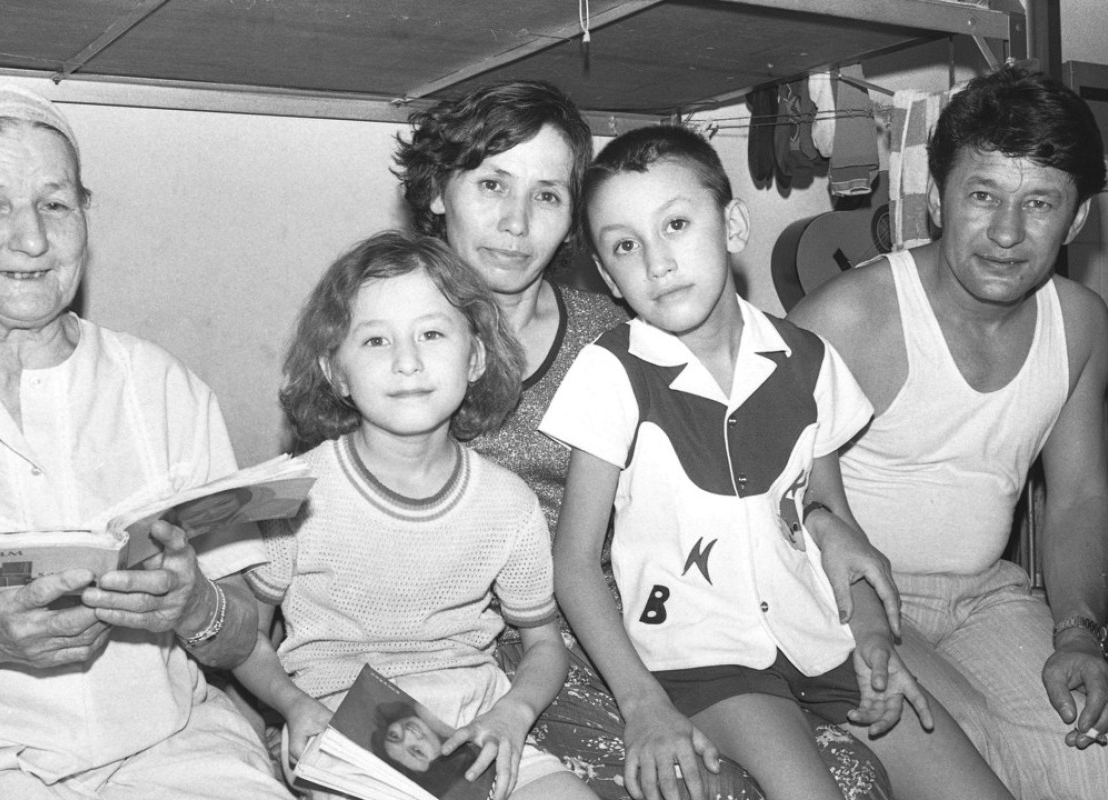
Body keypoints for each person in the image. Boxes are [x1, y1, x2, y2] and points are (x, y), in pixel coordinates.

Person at [395, 79, 896, 800]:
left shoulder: (628, 330)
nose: (515, 222)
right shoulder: (396, 341)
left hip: (636, 622)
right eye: (491, 185)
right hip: (473, 642)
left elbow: (762, 456)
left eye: (545, 195)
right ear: (439, 191)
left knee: (854, 773)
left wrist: (824, 517)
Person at [543, 125, 1014, 800]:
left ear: (732, 224)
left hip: (822, 640)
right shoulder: (611, 372)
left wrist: (875, 638)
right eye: (625, 245)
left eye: (676, 223)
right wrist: (641, 702)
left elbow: (833, 526)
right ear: (607, 275)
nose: (657, 261)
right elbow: (574, 562)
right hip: (704, 661)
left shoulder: (808, 358)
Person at [0, 82, 290, 799]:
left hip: (170, 751)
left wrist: (195, 605)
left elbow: (245, 637)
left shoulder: (163, 388)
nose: (32, 238)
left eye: (56, 203)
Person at [789, 63, 1108, 800]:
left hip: (986, 597)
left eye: (1040, 204)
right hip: (849, 600)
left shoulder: (1082, 323)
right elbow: (761, 500)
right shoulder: (849, 318)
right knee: (978, 760)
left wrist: (1079, 634)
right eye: (983, 195)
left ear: (1079, 219)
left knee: (1089, 757)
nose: (1006, 232)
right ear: (936, 198)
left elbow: (1080, 497)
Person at [233, 230, 596, 800]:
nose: (407, 361)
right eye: (375, 341)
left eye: (431, 333)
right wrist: (293, 707)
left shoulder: (508, 504)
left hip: (476, 724)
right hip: (338, 726)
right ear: (335, 373)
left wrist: (513, 714)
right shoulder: (294, 496)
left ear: (474, 357)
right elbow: (246, 635)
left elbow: (544, 644)